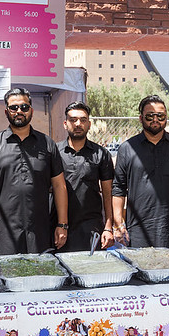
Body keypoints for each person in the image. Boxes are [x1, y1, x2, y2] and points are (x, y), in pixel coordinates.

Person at [0, 88, 69, 263]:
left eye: (24, 107)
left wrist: (62, 224)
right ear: (6, 111)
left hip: (39, 230)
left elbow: (59, 186)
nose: (19, 111)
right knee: (4, 282)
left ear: (31, 110)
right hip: (1, 232)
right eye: (14, 107)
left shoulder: (47, 144)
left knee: (39, 278)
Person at [111, 95, 169, 248]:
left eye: (160, 116)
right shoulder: (127, 148)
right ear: (141, 118)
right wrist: (119, 224)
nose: (155, 120)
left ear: (166, 117)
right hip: (137, 230)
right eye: (150, 116)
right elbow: (118, 189)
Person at [56, 102, 115, 251]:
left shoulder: (101, 154)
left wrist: (108, 227)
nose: (78, 124)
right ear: (65, 124)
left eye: (83, 120)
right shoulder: (54, 152)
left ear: (89, 124)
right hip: (58, 227)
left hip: (90, 226)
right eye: (73, 120)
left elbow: (108, 193)